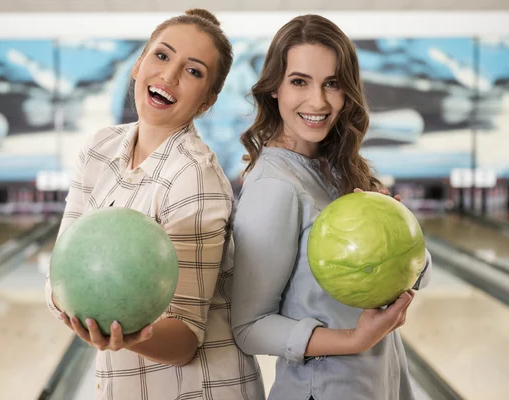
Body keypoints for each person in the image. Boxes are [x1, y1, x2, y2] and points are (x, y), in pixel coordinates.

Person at [45, 9, 265, 400]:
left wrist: (121, 334)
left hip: (203, 388)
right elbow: (63, 261)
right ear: (138, 63)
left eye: (193, 71)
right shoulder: (100, 148)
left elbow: (183, 341)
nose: (169, 75)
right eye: (161, 56)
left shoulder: (196, 178)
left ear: (208, 102)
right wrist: (68, 300)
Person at [230, 14, 432, 400]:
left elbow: (413, 274)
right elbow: (250, 327)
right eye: (299, 82)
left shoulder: (339, 169)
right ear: (275, 88)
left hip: (378, 378)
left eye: (332, 84)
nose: (318, 101)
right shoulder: (276, 186)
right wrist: (354, 339)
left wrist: (401, 240)